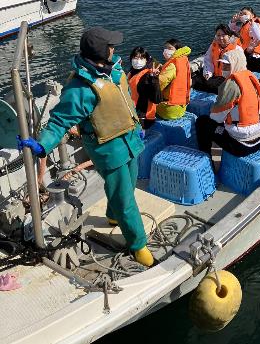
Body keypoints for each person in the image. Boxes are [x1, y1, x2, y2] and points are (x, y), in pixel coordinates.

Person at [16, 26, 154, 267]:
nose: (114, 49)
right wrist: (42, 145)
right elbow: (59, 121)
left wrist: (136, 125)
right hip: (108, 149)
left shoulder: (116, 71)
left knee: (128, 185)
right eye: (110, 46)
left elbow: (125, 102)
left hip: (131, 140)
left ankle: (113, 216)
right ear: (101, 51)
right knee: (125, 199)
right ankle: (138, 244)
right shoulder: (80, 87)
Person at [196, 46, 260, 160]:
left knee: (203, 122)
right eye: (223, 65)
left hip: (242, 145)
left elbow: (216, 117)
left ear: (235, 64)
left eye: (227, 65)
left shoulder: (231, 85)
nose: (223, 68)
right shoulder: (251, 77)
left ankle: (207, 158)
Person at [192, 24, 239, 94]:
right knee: (195, 78)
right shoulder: (213, 46)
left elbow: (239, 68)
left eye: (223, 35)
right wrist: (208, 73)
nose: (221, 38)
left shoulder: (236, 49)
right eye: (218, 35)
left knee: (209, 84)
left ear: (229, 36)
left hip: (228, 79)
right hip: (215, 75)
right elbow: (208, 60)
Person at [156, 38, 191, 120]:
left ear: (177, 50)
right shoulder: (184, 60)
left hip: (169, 109)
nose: (166, 50)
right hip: (181, 107)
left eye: (170, 48)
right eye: (165, 48)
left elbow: (159, 83)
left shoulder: (172, 66)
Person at [127, 46, 161, 128]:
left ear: (146, 60)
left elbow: (157, 99)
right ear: (131, 59)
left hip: (143, 118)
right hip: (132, 111)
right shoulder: (132, 72)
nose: (138, 61)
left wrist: (154, 79)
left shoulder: (148, 77)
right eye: (135, 58)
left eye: (141, 58)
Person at [229, 6, 260, 72]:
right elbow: (232, 31)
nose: (242, 15)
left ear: (252, 15)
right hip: (245, 53)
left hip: (254, 56)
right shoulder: (244, 25)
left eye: (245, 14)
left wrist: (253, 25)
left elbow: (259, 38)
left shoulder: (255, 25)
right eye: (241, 14)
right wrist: (233, 22)